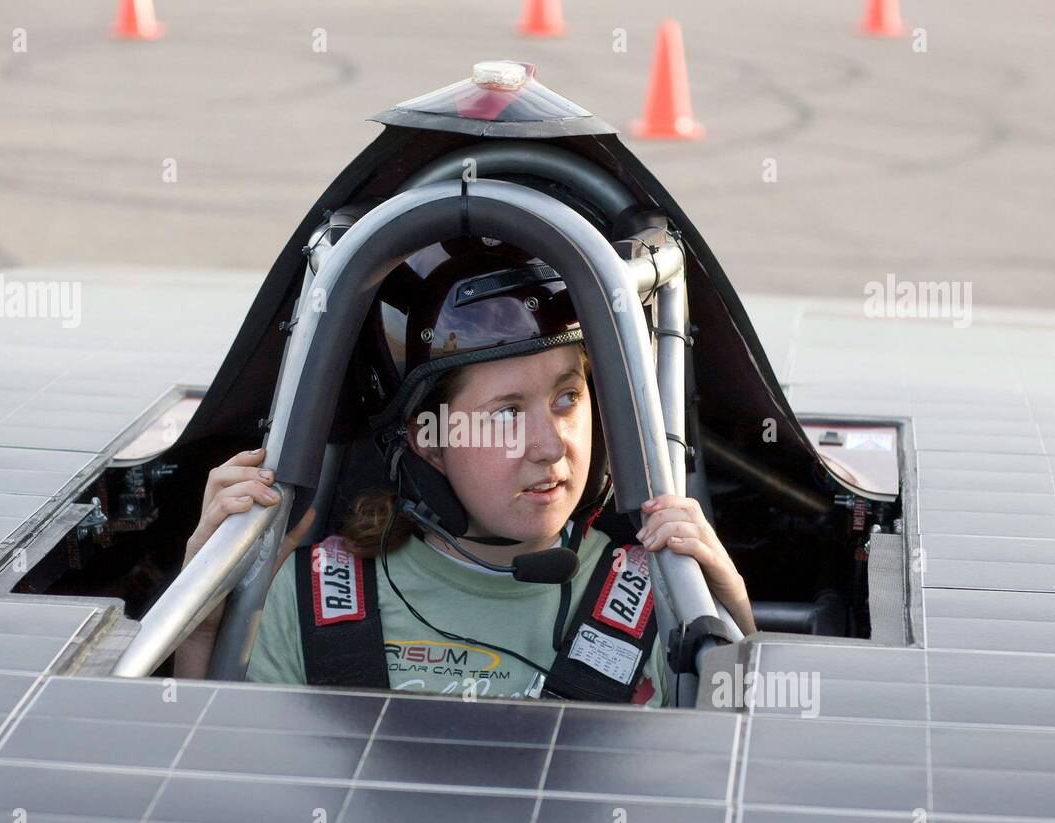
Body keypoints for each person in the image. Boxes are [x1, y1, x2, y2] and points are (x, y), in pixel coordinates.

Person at [176, 239, 754, 703]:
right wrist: (201, 623)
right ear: (429, 442)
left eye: (567, 398)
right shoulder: (309, 598)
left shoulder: (660, 593)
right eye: (506, 413)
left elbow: (738, 793)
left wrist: (736, 623)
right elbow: (205, 796)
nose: (551, 446)